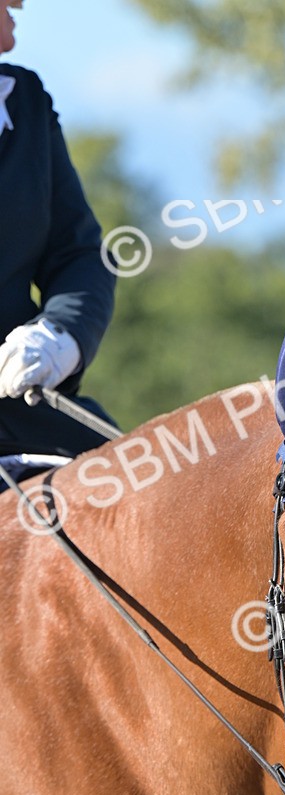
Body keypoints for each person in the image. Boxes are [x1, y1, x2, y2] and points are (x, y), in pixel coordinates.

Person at [0, 0, 117, 471]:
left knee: (156, 477)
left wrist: (58, 337)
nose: (19, 3)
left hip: (19, 405)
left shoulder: (25, 100)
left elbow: (79, 253)